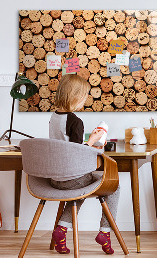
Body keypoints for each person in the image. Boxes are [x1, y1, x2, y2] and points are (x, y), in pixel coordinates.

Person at [49, 74, 119, 255]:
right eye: (84, 96)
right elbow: (76, 153)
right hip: (72, 178)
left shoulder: (54, 117)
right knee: (114, 186)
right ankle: (105, 232)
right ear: (75, 96)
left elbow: (66, 146)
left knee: (79, 189)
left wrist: (88, 142)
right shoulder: (75, 121)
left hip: (55, 178)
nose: (85, 100)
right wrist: (94, 140)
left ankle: (61, 230)